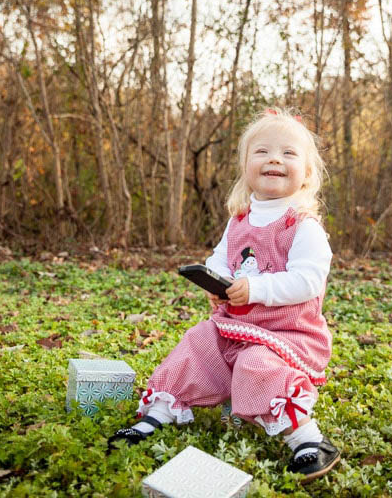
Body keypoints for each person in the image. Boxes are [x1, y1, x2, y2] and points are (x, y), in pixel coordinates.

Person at [108, 107, 340, 483]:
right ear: (246, 166)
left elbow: (308, 280)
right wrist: (219, 286)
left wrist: (255, 288)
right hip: (236, 326)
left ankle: (306, 439)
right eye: (262, 151)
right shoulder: (240, 220)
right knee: (196, 341)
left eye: (289, 153)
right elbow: (222, 260)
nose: (275, 159)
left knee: (256, 365)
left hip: (286, 335)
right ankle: (157, 416)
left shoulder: (302, 226)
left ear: (308, 173)